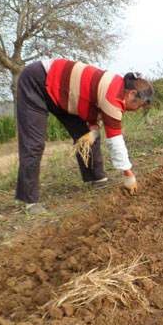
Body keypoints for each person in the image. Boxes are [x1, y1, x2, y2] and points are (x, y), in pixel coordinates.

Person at [15, 58, 153, 215]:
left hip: (63, 92)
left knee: (87, 134)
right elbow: (115, 141)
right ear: (132, 94)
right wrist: (129, 175)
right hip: (38, 81)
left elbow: (86, 97)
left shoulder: (119, 87)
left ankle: (97, 179)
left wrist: (93, 125)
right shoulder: (113, 98)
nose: (136, 110)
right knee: (34, 143)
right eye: (139, 105)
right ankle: (29, 200)